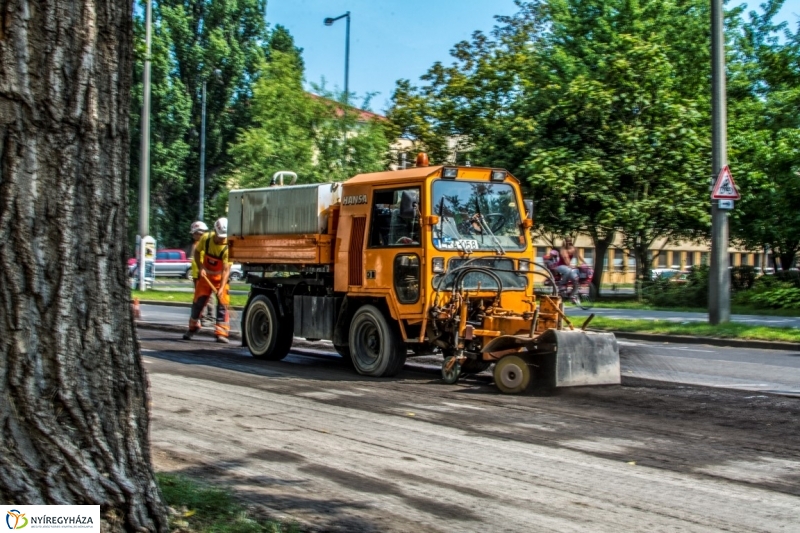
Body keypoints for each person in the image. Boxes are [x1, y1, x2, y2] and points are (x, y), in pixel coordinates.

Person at [183, 217, 231, 343]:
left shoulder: (228, 247)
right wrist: (201, 267)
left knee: (223, 304)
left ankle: (221, 333)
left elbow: (226, 270)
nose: (222, 239)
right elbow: (198, 253)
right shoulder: (206, 239)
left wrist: (221, 288)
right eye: (220, 236)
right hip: (205, 278)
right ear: (215, 231)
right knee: (198, 303)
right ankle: (193, 328)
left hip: (220, 280)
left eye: (224, 236)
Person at [189, 221, 215, 326]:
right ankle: (201, 317)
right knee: (199, 297)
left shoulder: (207, 245)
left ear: (200, 233)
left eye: (195, 233)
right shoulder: (196, 244)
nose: (193, 235)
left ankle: (210, 317)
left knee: (208, 297)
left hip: (205, 275)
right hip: (197, 275)